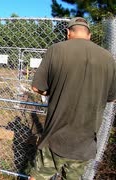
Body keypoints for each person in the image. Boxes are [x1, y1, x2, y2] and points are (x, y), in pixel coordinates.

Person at [29, 17, 116, 179]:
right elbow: (111, 97)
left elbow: (36, 87)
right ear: (89, 35)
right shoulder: (108, 58)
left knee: (39, 176)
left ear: (68, 32)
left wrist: (54, 92)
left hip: (55, 137)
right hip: (85, 141)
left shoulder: (56, 49)